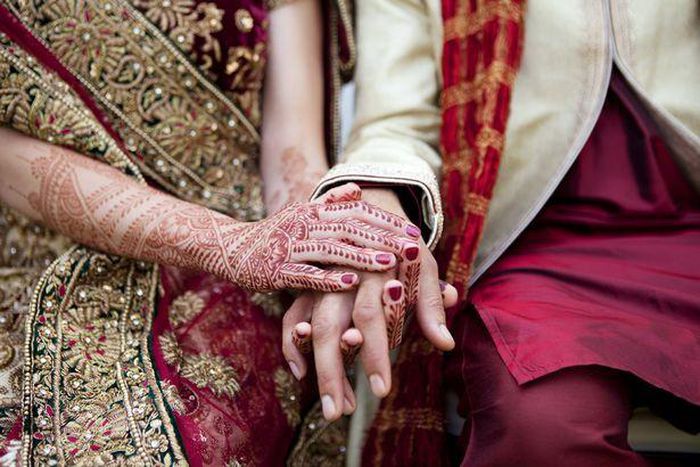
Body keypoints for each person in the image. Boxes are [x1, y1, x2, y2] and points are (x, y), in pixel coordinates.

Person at [0, 0, 428, 464]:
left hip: (243, 269)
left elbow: (292, 147)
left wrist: (328, 243)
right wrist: (226, 243)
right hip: (40, 255)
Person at [287, 0, 700, 465]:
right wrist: (372, 219)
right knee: (541, 432)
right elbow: (395, 124)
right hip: (531, 254)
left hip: (689, 234)